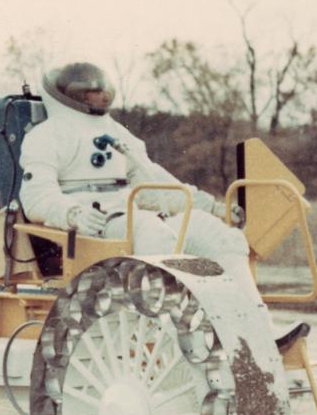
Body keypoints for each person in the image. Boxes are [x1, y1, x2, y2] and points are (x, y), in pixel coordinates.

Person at [18, 61, 249, 268]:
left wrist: (211, 207)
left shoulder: (117, 133)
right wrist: (72, 214)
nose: (101, 97)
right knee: (155, 233)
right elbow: (37, 196)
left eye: (102, 90)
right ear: (76, 96)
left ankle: (243, 313)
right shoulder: (46, 136)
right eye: (91, 93)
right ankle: (152, 309)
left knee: (223, 238)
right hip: (91, 226)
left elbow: (151, 183)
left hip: (130, 217)